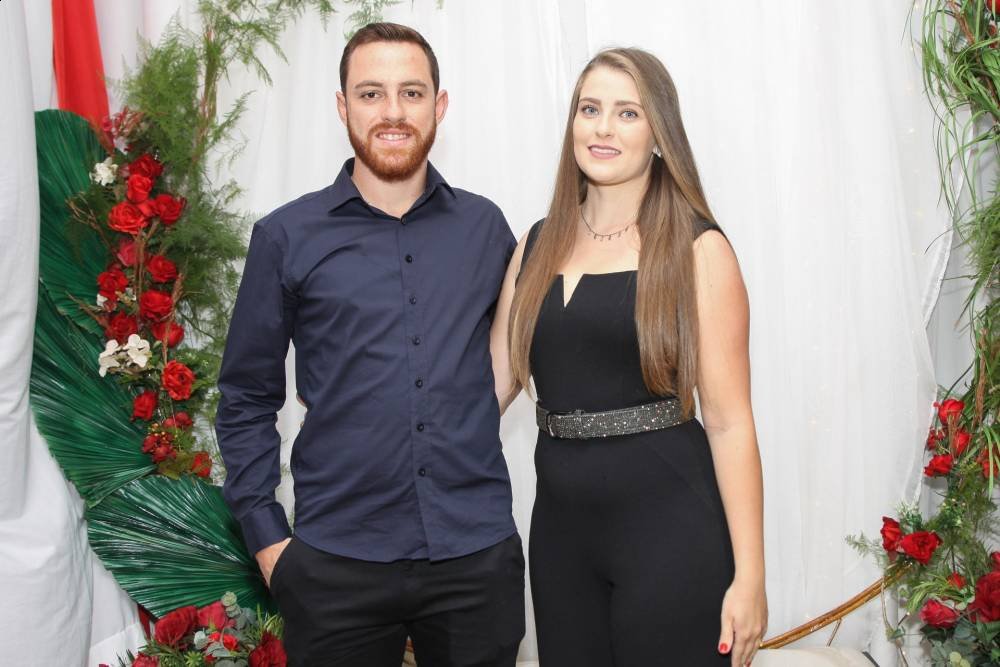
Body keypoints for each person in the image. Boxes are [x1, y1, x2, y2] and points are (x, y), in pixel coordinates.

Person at [215, 22, 524, 667]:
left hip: (474, 557)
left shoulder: (485, 228)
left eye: (411, 93)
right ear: (342, 106)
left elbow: (514, 355)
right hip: (335, 563)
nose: (392, 112)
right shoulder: (285, 236)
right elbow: (245, 395)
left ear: (440, 105)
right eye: (370, 93)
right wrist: (269, 541)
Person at [490, 48, 767, 666]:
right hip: (561, 539)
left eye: (627, 113)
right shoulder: (534, 243)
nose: (603, 128)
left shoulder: (698, 249)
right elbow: (492, 386)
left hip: (671, 530)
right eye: (590, 109)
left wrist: (750, 576)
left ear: (659, 132)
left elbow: (729, 422)